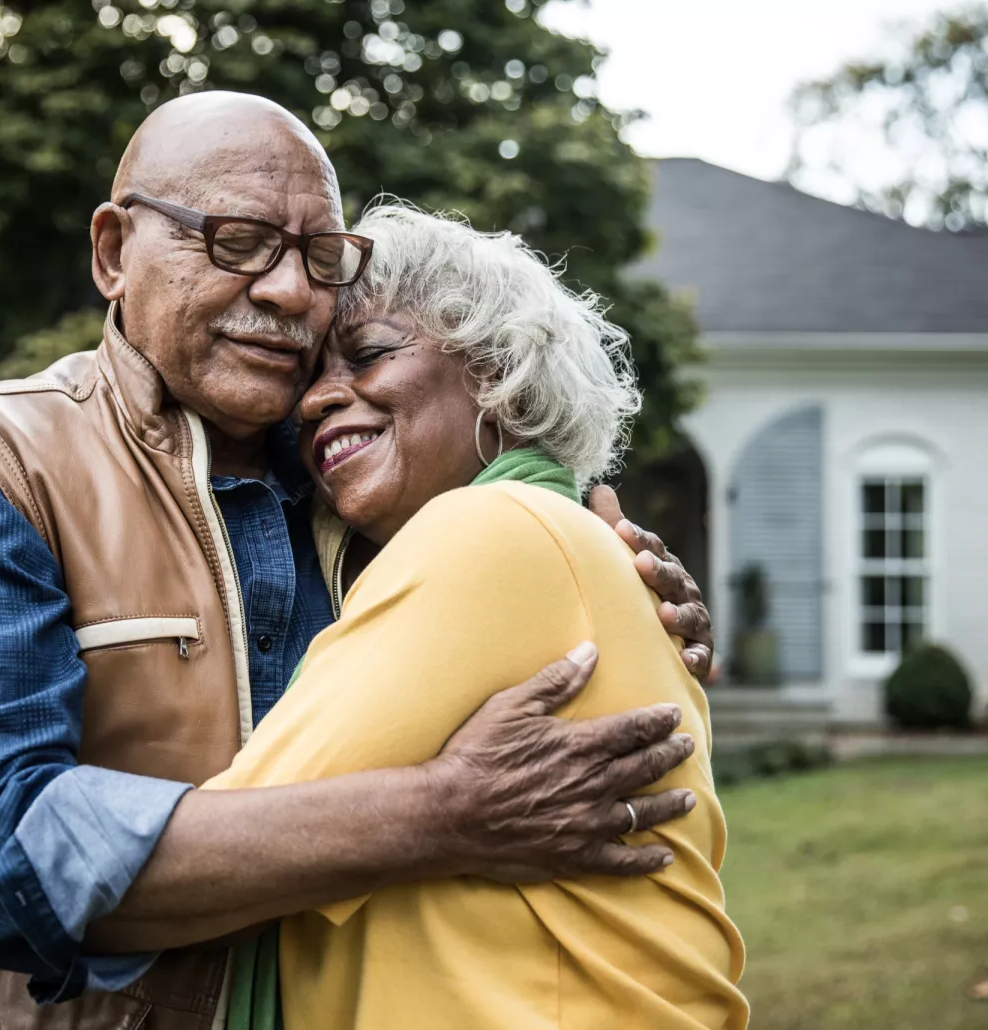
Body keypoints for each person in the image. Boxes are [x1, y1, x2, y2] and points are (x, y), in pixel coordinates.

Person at [0, 92, 716, 1029]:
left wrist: (623, 593)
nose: (292, 291)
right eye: (239, 241)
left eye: (320, 257)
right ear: (112, 253)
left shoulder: (369, 487)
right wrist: (442, 814)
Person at [206, 203, 748, 1030]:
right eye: (312, 375)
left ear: (496, 372)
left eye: (368, 354)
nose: (315, 400)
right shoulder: (560, 541)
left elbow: (217, 856)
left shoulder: (492, 529)